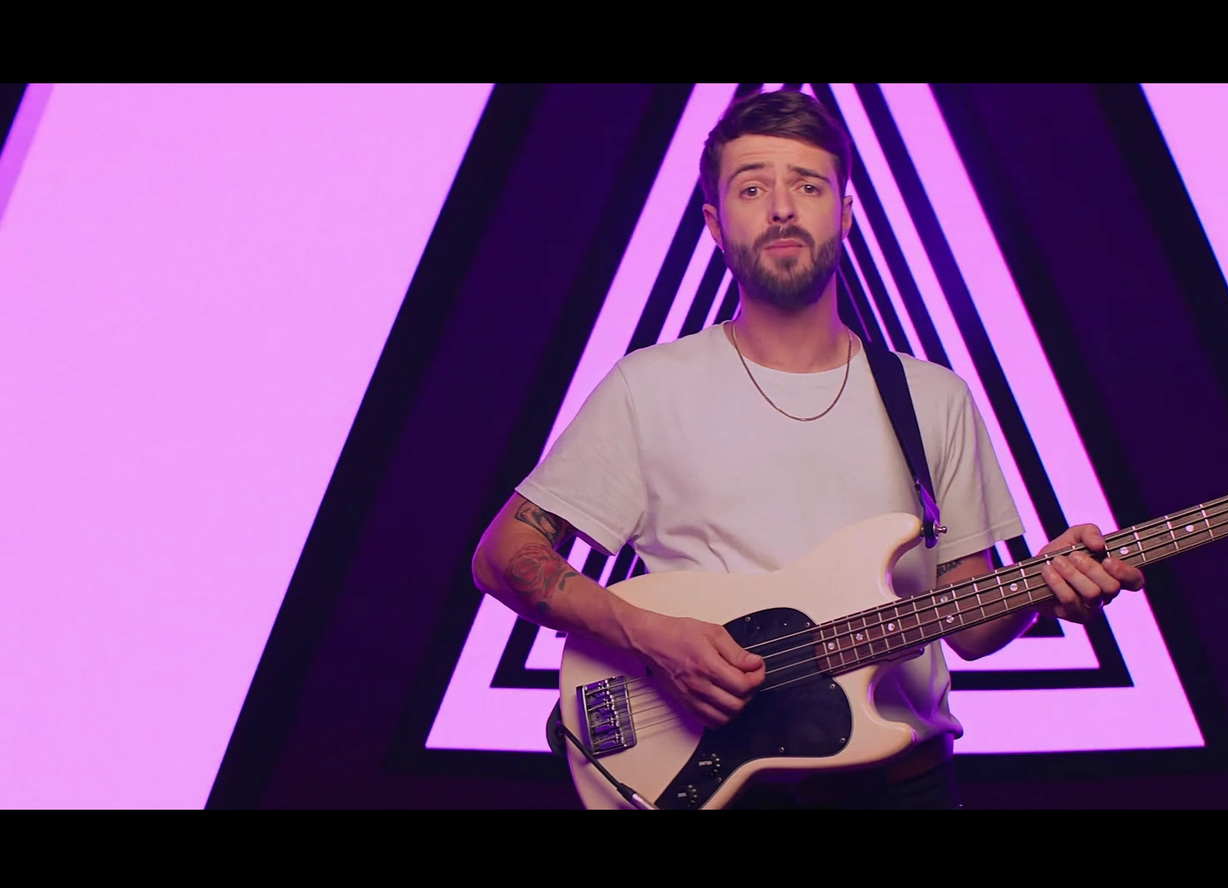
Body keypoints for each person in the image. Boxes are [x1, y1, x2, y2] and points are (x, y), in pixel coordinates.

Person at [471, 89, 1145, 809]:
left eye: (809, 185)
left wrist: (1043, 587)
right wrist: (650, 634)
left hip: (899, 785)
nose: (782, 207)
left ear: (846, 213)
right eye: (753, 187)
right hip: (718, 782)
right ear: (714, 224)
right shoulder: (648, 387)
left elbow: (971, 627)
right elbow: (504, 554)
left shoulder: (933, 397)